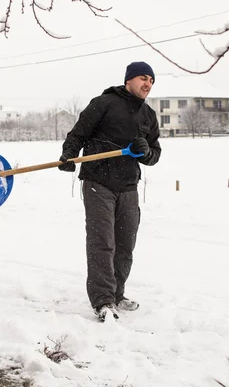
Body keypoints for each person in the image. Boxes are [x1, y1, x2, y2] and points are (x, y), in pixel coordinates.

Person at [58, 61, 162, 322]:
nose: (147, 83)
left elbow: (155, 154)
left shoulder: (148, 115)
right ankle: (103, 301)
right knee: (102, 243)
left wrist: (146, 153)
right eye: (142, 78)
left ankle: (117, 294)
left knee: (125, 245)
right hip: (98, 181)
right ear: (128, 80)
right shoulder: (104, 103)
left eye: (151, 79)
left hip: (128, 186)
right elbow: (78, 133)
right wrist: (69, 155)